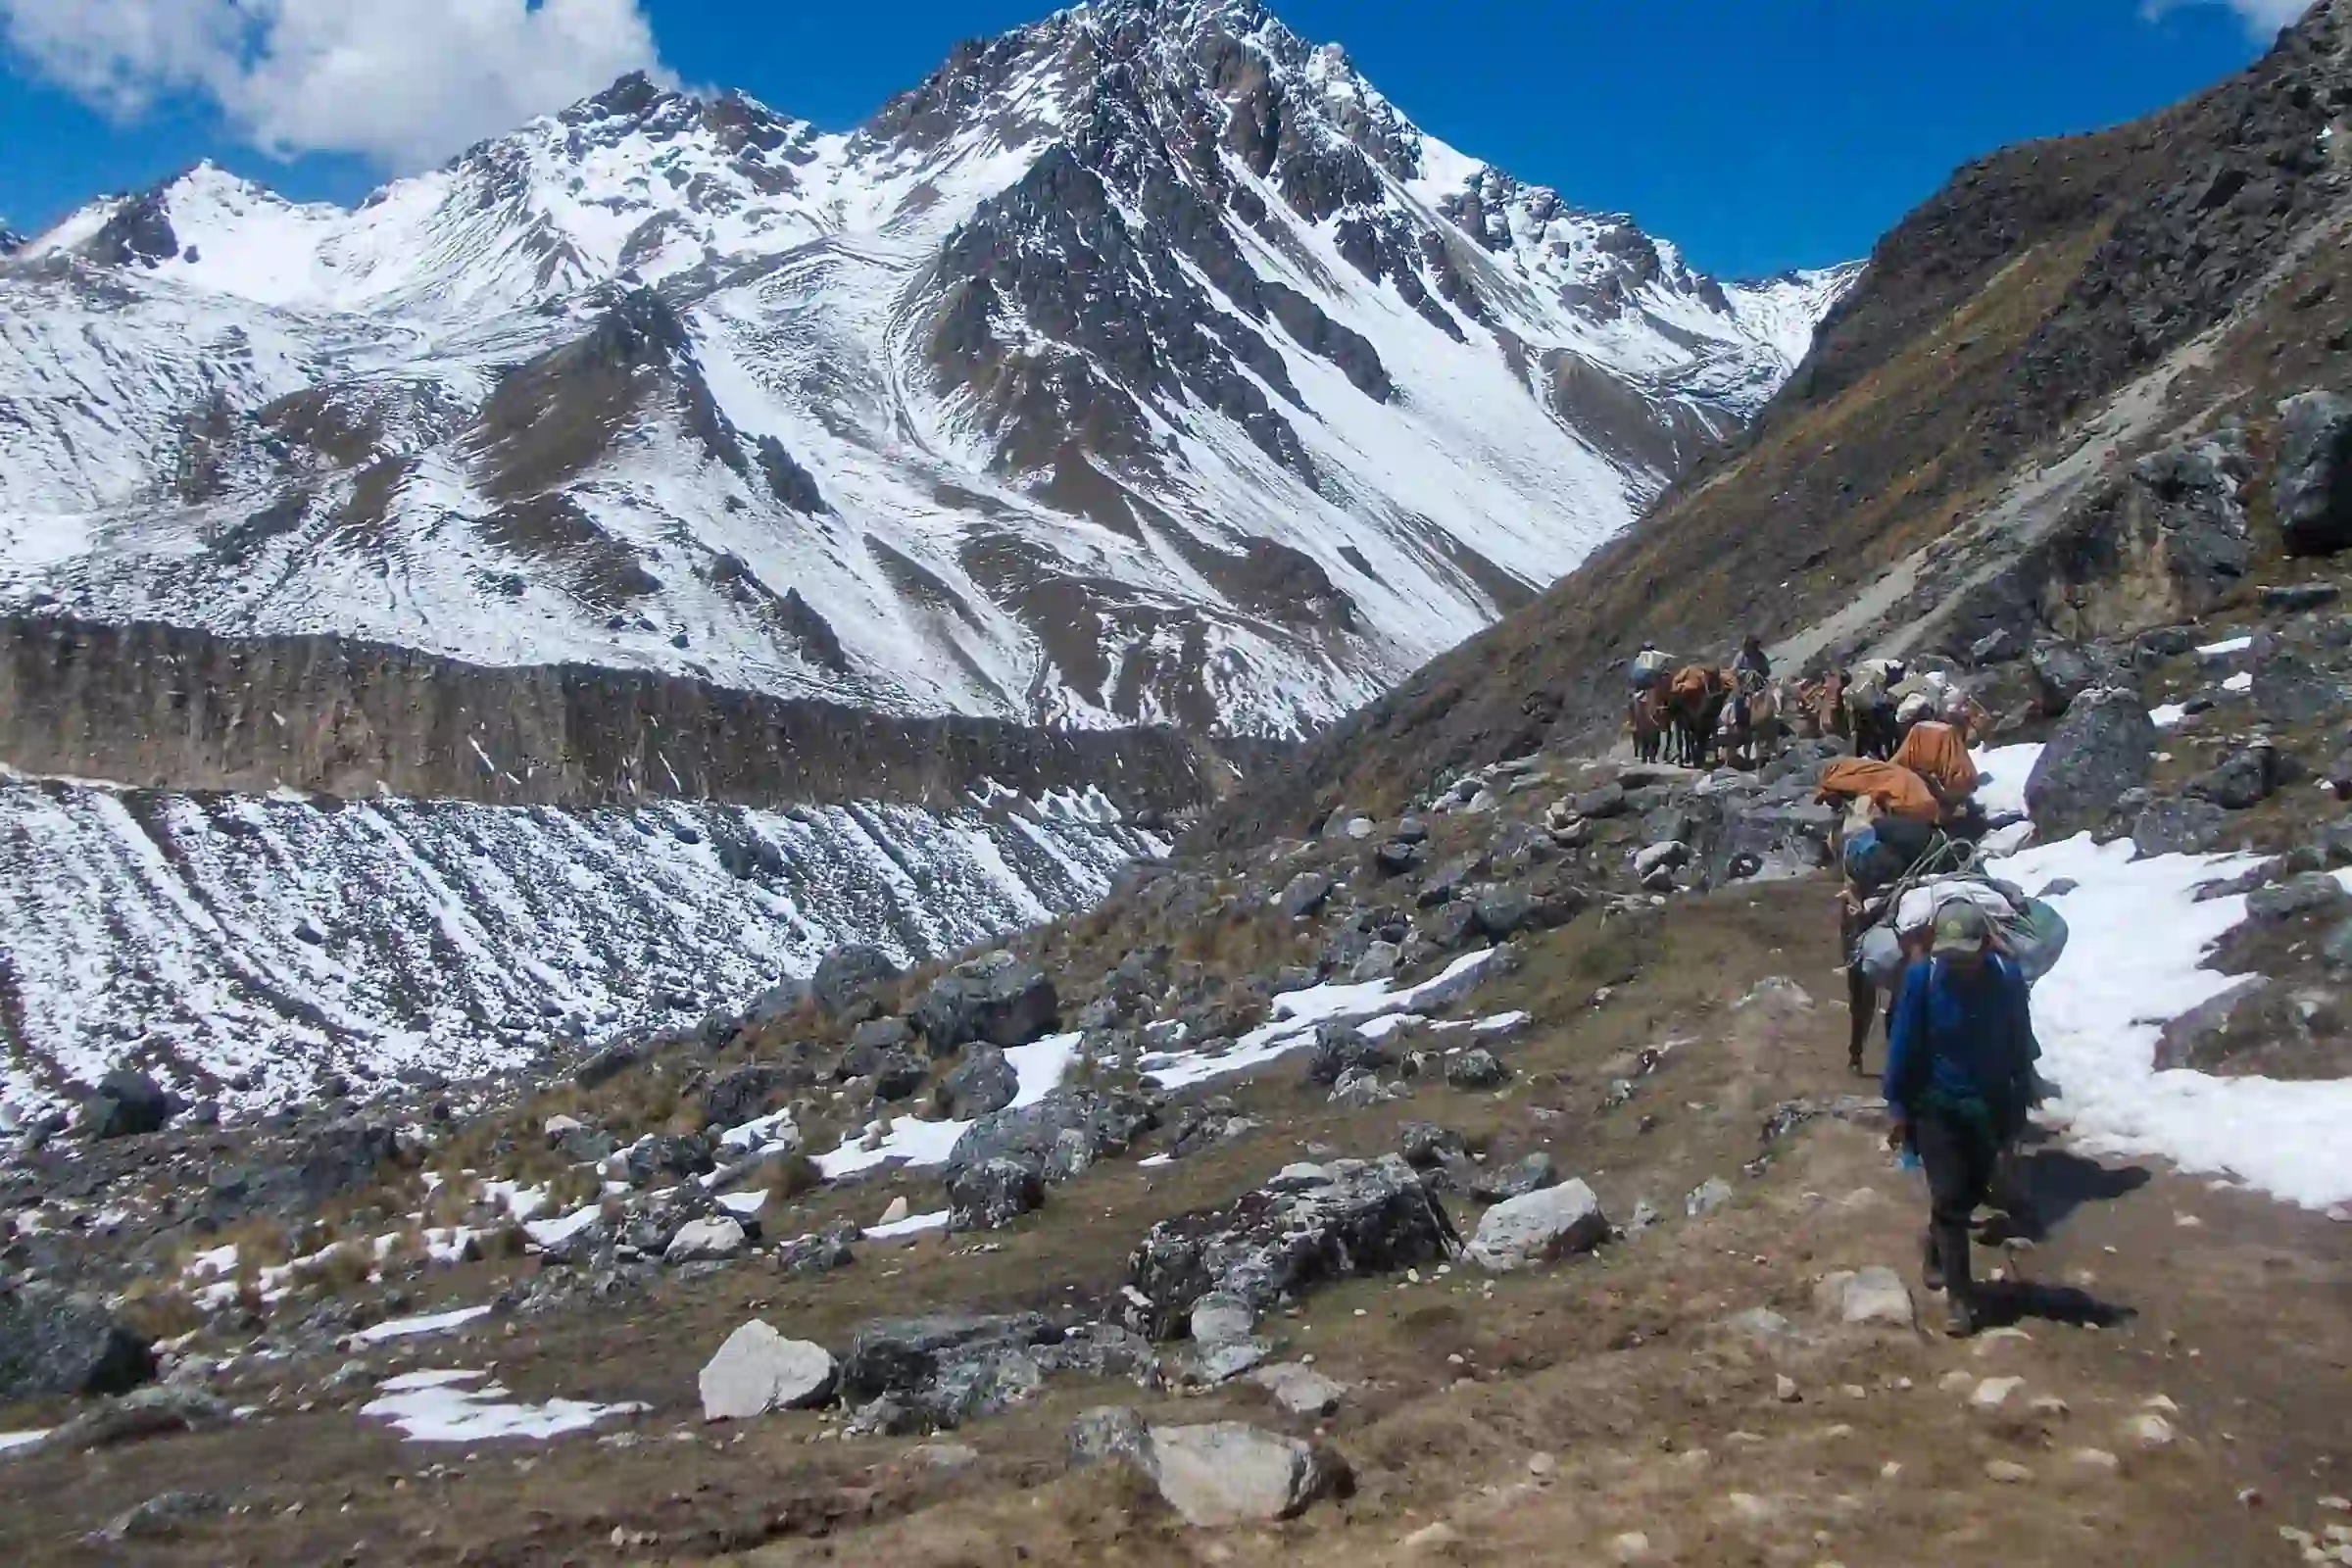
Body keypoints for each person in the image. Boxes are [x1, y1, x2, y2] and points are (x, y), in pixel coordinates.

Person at [1883, 903, 2038, 1337]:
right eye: (1950, 956)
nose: (1958, 966)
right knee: (1950, 1195)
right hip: (1937, 1105)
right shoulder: (1923, 979)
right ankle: (1961, 1298)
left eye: (1965, 957)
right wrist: (1898, 1107)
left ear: (1986, 946)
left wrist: (2020, 1097)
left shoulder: (2006, 979)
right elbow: (1903, 1044)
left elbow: (2018, 1039)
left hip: (1990, 1105)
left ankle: (1936, 1246)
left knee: (1974, 1192)